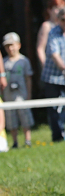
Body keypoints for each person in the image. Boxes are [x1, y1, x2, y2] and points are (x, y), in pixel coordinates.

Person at [1, 33, 34, 149]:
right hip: (8, 94)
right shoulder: (3, 62)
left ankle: (27, 140)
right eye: (7, 46)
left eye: (12, 45)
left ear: (18, 45)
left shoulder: (24, 61)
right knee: (11, 118)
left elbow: (28, 78)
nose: (10, 48)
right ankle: (15, 142)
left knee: (25, 116)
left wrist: (29, 94)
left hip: (21, 94)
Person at [41, 8, 65, 142]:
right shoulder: (53, 33)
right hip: (52, 78)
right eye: (63, 20)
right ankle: (57, 137)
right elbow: (55, 55)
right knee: (53, 108)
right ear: (58, 20)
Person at [37, 0, 65, 68]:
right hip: (51, 69)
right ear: (49, 10)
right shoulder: (47, 26)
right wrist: (45, 66)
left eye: (61, 7)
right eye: (56, 8)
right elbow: (40, 49)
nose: (59, 11)